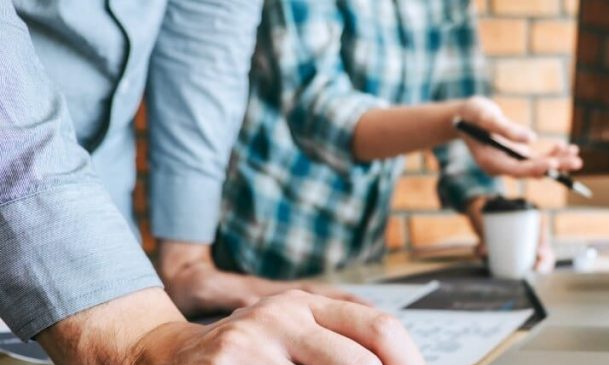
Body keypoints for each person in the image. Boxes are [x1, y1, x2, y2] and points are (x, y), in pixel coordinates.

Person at [0, 0, 436, 365]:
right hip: (77, 279)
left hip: (106, 264)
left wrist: (185, 262)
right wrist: (132, 351)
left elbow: (203, 43)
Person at [215, 0, 583, 279]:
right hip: (259, 249)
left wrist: (492, 216)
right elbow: (316, 109)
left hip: (360, 263)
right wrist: (454, 121)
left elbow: (469, 124)